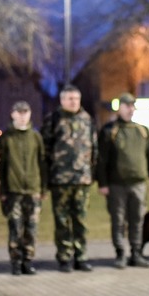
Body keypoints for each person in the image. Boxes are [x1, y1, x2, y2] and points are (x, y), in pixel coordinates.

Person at [96, 93, 149, 269]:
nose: (130, 109)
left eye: (132, 106)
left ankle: (136, 253)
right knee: (118, 220)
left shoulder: (142, 130)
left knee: (137, 219)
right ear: (120, 108)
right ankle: (120, 253)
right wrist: (103, 183)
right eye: (127, 106)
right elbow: (101, 160)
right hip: (116, 185)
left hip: (138, 184)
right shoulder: (110, 130)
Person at [42, 85, 97, 272]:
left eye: (76, 98)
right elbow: (46, 149)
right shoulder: (54, 119)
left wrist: (92, 172)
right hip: (60, 179)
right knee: (62, 220)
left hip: (82, 179)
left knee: (81, 220)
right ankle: (64, 256)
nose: (74, 102)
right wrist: (48, 176)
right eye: (70, 99)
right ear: (62, 100)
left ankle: (81, 256)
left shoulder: (87, 119)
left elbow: (94, 148)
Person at [0, 101, 46, 275]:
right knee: (15, 228)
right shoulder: (6, 138)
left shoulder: (35, 137)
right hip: (13, 191)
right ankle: (16, 262)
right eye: (19, 112)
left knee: (32, 228)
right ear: (13, 114)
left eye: (25, 112)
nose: (22, 115)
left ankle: (28, 260)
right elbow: (1, 165)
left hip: (33, 189)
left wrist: (43, 188)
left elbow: (42, 163)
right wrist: (2, 190)